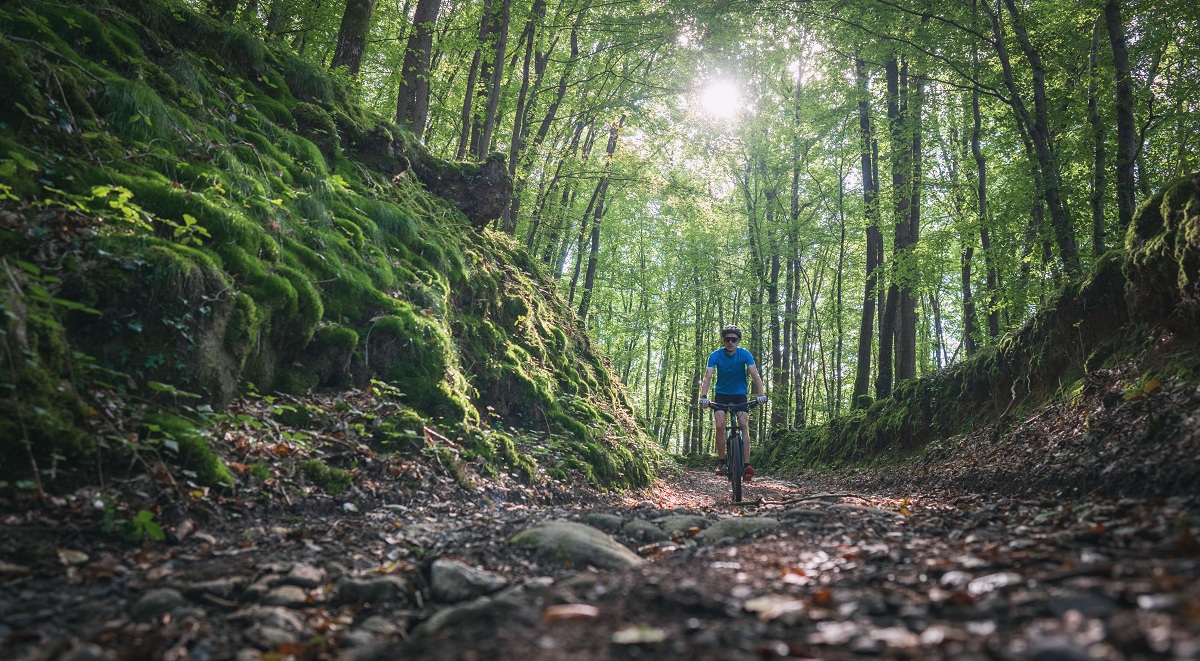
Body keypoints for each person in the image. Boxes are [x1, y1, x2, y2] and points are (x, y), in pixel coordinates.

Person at [698, 324, 766, 481]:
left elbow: (755, 375)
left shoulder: (745, 354)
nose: (730, 342)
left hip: (740, 394)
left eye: (733, 339)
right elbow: (707, 377)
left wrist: (761, 395)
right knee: (720, 425)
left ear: (738, 341)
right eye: (727, 339)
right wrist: (703, 396)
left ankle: (746, 465)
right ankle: (722, 463)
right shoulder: (715, 355)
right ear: (723, 340)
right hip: (721, 394)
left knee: (743, 425)